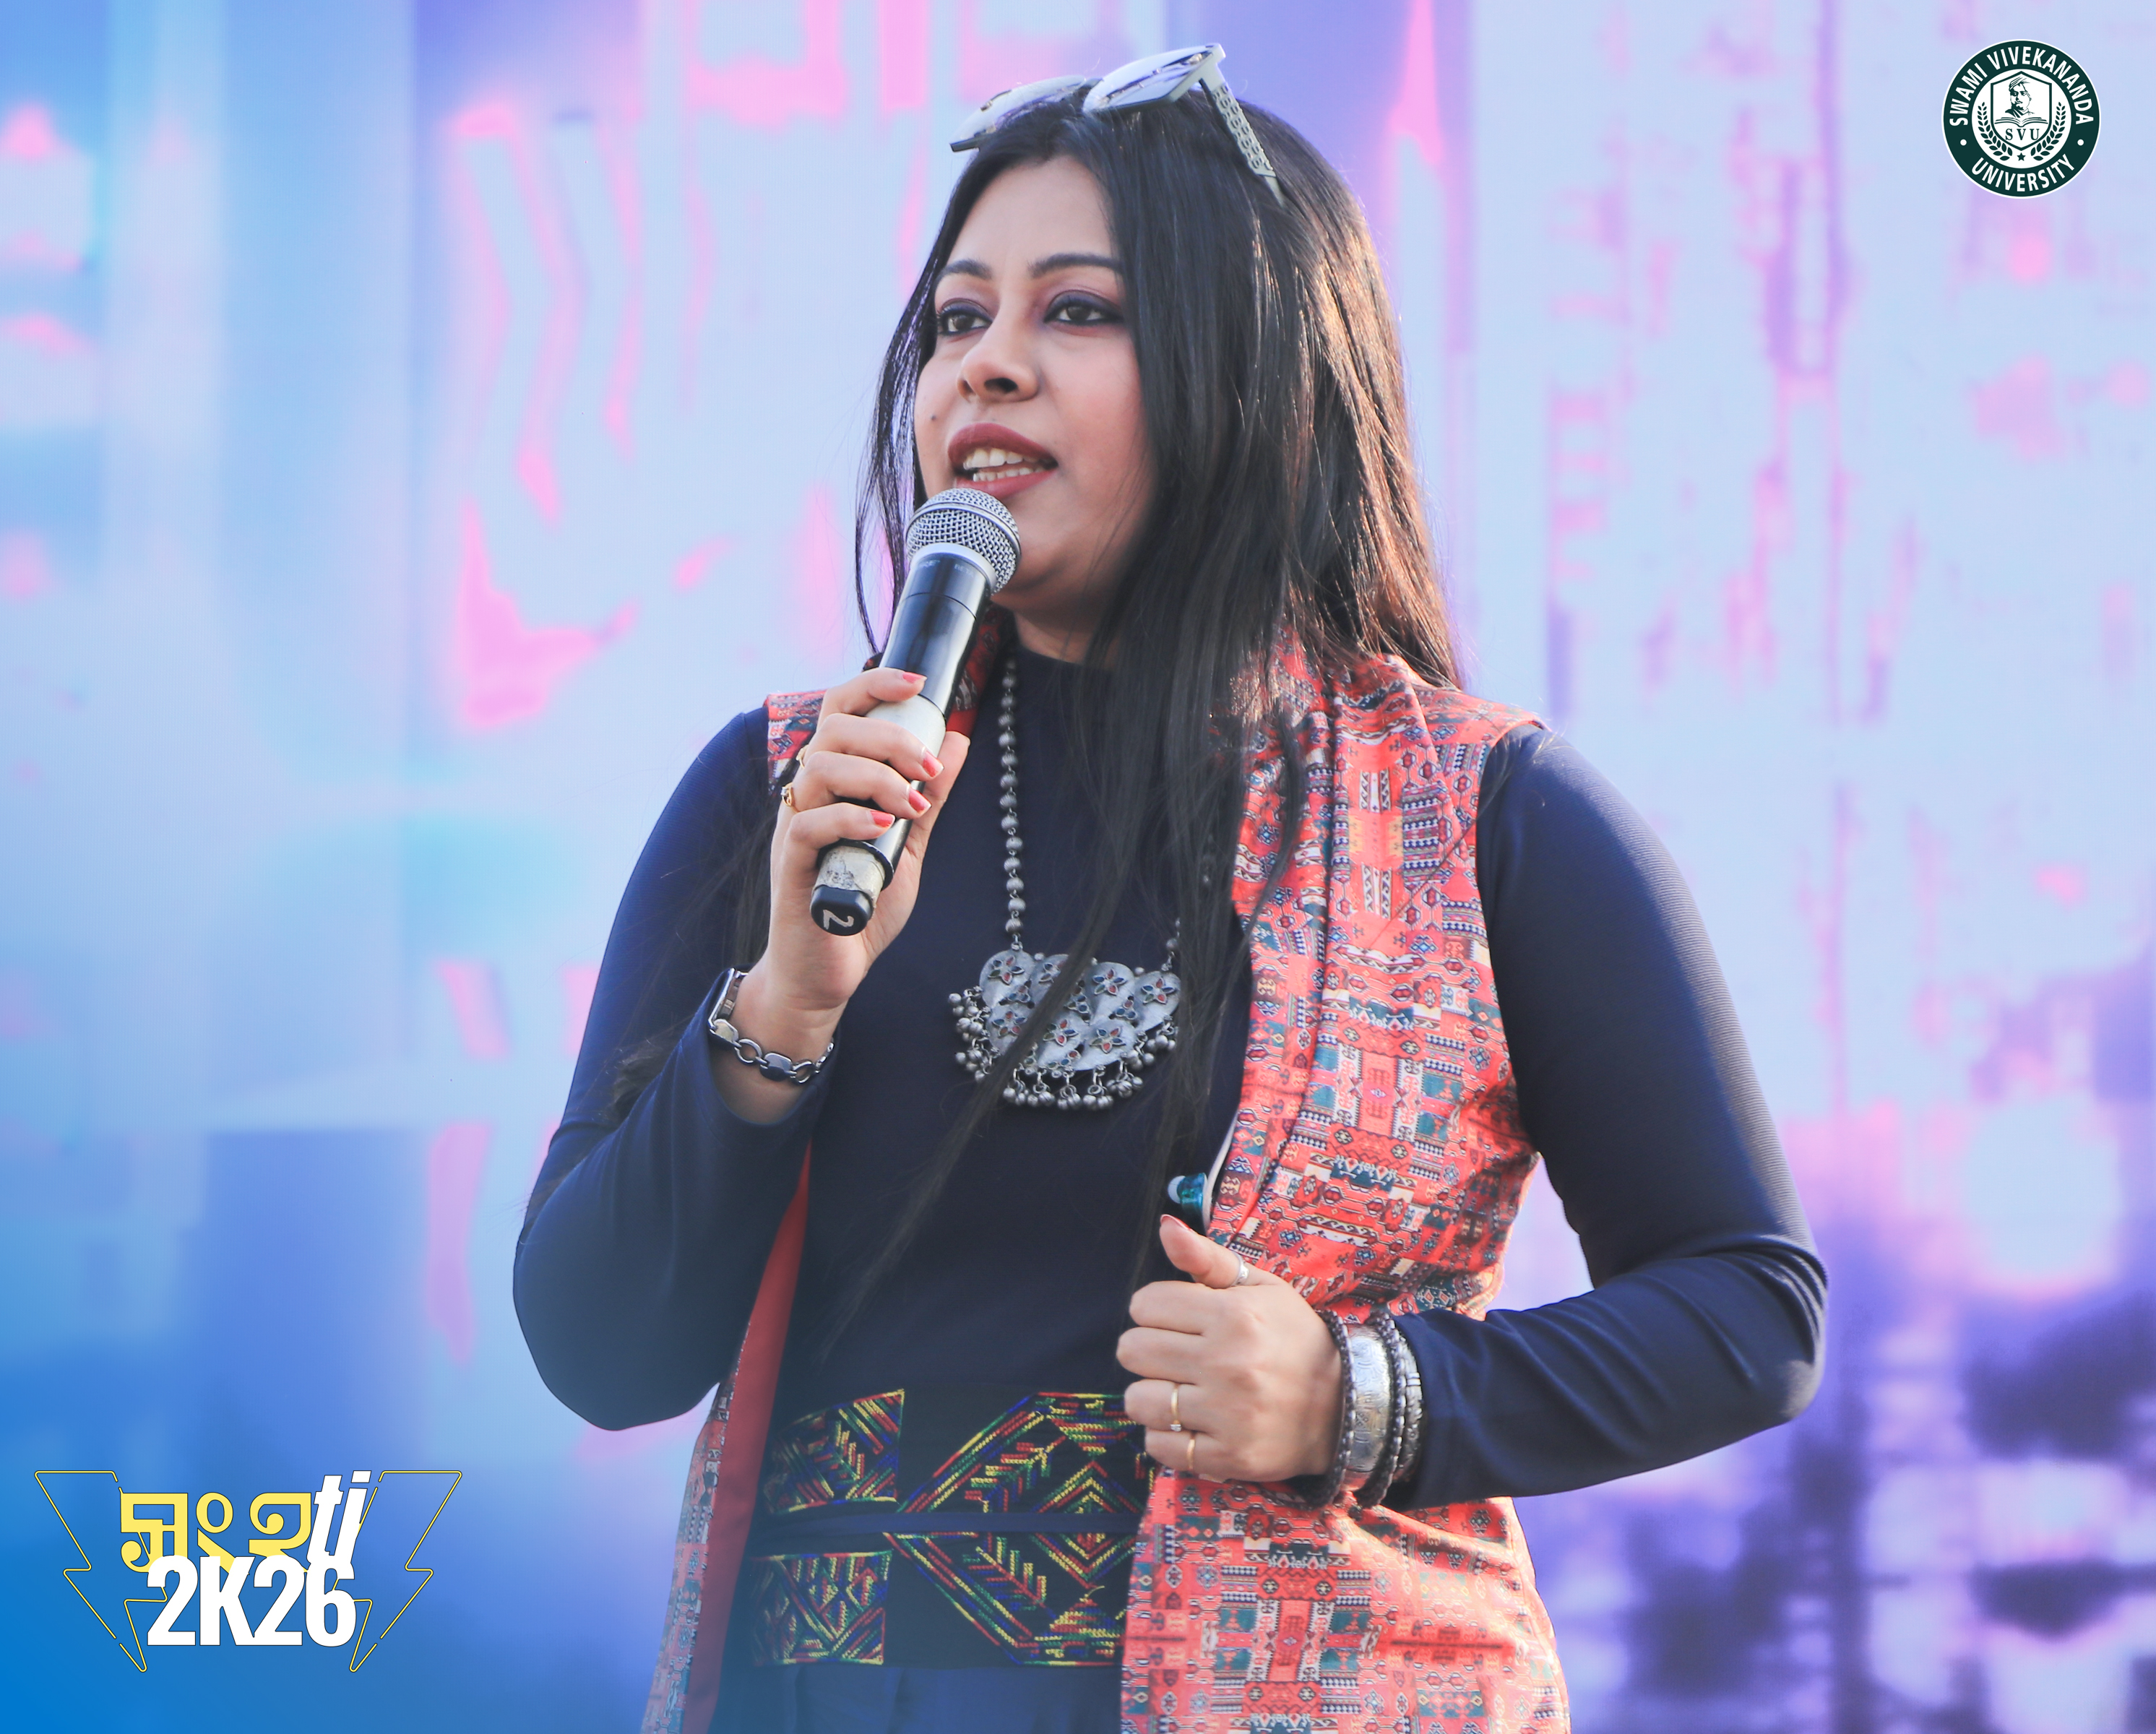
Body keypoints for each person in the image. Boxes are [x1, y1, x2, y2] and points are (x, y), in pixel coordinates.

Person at [514, 44, 1825, 1734]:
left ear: (1256, 369)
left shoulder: (1487, 814)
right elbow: (602, 1350)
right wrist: (779, 1011)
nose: (987, 365)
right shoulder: (789, 792)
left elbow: (1747, 1309)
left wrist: (1363, 1396)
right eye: (956, 321)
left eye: (1078, 311)